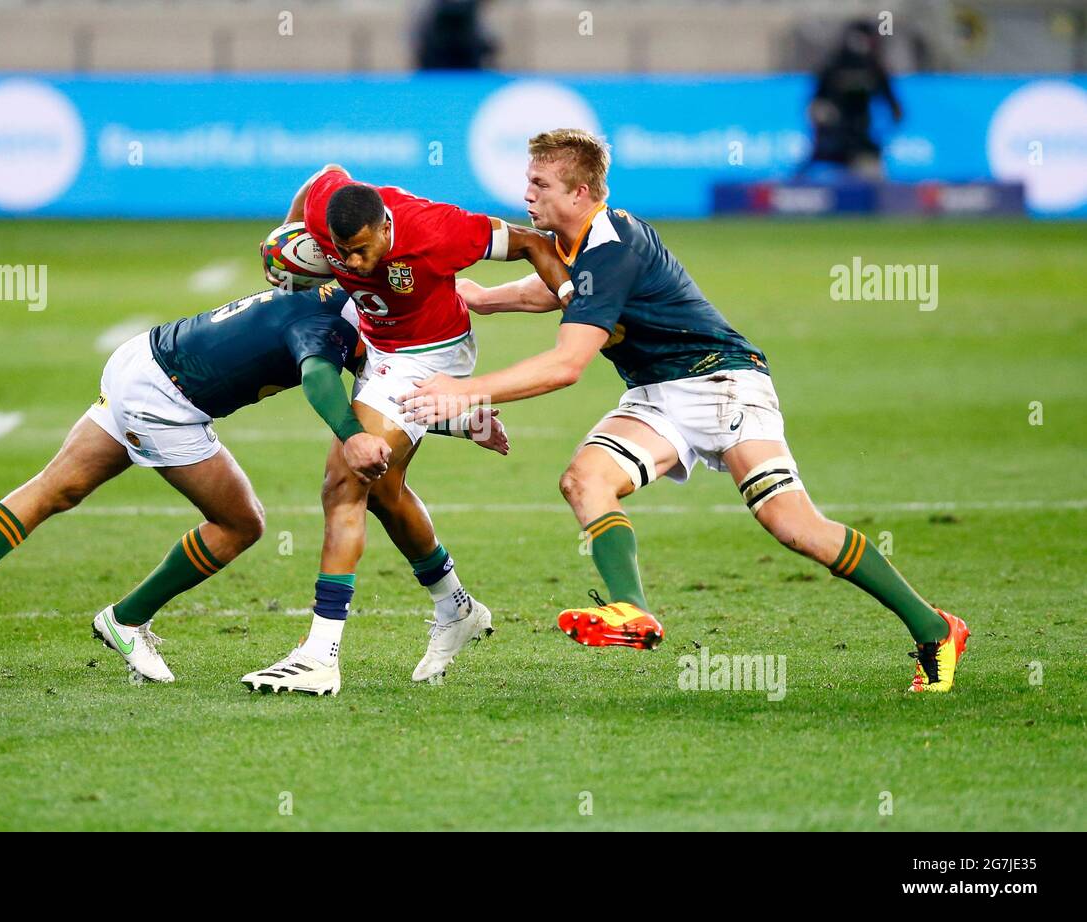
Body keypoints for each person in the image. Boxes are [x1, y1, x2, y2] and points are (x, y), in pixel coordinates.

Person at [402, 128, 969, 693]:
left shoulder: (612, 247)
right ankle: (631, 610)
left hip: (724, 385)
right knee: (584, 480)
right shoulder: (584, 241)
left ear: (579, 194)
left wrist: (467, 390)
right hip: (658, 395)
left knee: (794, 527)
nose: (527, 192)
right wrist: (479, 298)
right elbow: (557, 290)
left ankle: (934, 628)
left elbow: (566, 365)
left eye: (541, 183)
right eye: (529, 179)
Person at [0, 284, 504, 684]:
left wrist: (465, 422)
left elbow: (388, 397)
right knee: (241, 523)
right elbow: (325, 381)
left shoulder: (328, 296)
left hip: (141, 358)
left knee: (56, 489)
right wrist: (350, 433)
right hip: (167, 403)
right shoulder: (333, 327)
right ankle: (127, 618)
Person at [240, 165, 572, 695]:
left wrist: (577, 305)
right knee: (384, 492)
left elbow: (534, 242)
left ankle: (319, 655)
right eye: (341, 252)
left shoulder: (439, 230)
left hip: (429, 354)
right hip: (375, 340)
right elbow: (324, 175)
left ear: (388, 229)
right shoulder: (330, 211)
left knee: (344, 481)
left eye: (361, 251)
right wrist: (287, 231)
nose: (349, 261)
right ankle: (456, 607)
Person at [802, 20, 903, 181]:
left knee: (873, 182)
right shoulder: (834, 65)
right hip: (834, 138)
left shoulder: (874, 68)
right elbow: (816, 104)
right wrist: (823, 118)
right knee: (813, 183)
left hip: (861, 136)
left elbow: (892, 102)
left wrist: (894, 114)